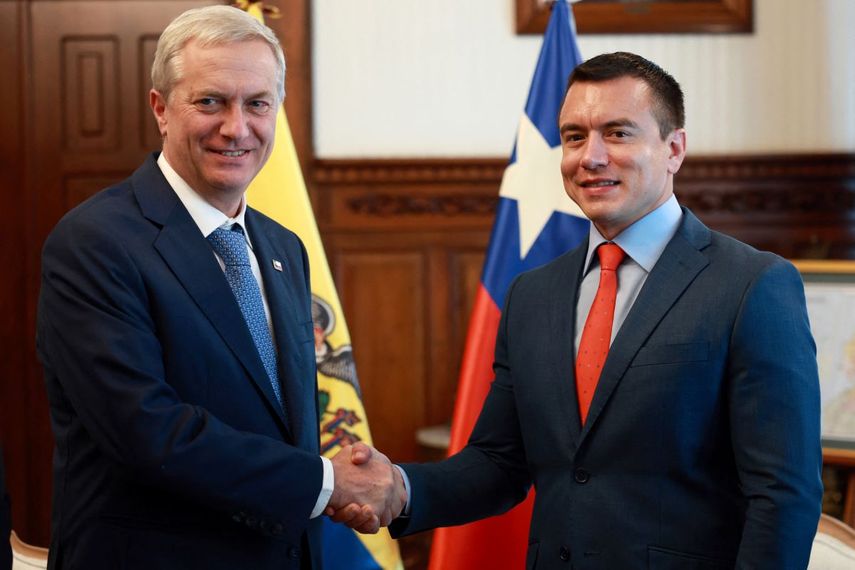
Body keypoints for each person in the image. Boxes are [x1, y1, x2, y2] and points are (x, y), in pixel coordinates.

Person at [338, 52, 824, 567]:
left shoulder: (753, 285)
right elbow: (499, 463)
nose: (589, 157)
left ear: (674, 148)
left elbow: (782, 494)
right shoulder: (531, 294)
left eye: (617, 133)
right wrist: (399, 488)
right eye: (573, 137)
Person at [36, 6, 402, 569]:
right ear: (161, 109)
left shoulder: (284, 248)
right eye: (210, 102)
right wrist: (330, 485)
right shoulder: (93, 243)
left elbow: (283, 422)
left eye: (257, 103)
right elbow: (148, 433)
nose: (236, 127)